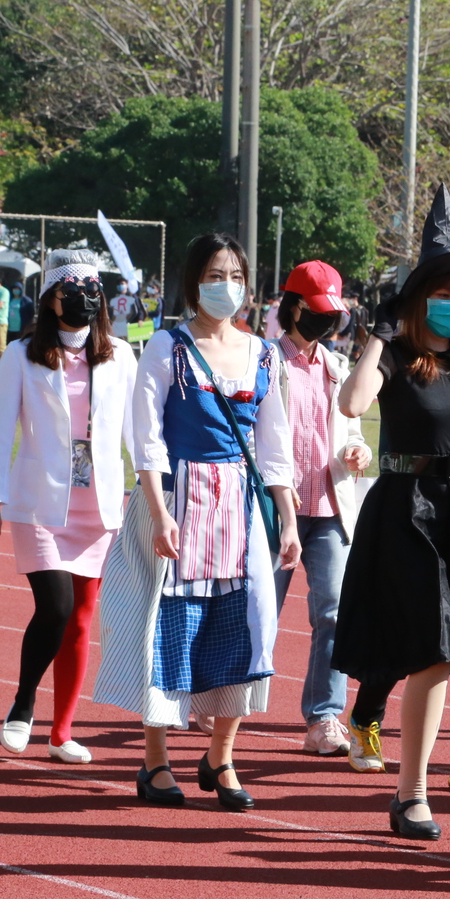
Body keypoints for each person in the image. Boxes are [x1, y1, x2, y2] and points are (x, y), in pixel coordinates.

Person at [332, 186, 450, 839]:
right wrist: (376, 337)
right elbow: (352, 402)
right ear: (419, 298)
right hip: (406, 507)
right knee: (435, 651)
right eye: (446, 295)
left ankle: (415, 786)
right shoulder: (391, 353)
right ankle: (411, 793)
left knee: (449, 650)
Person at [94, 232, 301, 810]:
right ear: (193, 281)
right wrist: (159, 513)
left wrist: (287, 520)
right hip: (178, 501)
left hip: (237, 505)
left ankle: (221, 756)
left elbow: (275, 445)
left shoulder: (263, 353)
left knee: (246, 624)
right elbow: (148, 438)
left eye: (235, 275)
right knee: (166, 625)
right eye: (215, 274)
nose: (226, 286)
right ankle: (155, 760)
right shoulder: (168, 346)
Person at [0, 251, 135, 763]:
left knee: (83, 620)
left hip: (98, 506)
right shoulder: (22, 355)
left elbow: (137, 433)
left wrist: (159, 488)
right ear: (51, 297)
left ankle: (62, 732)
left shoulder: (121, 356)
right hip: (40, 502)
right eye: (73, 287)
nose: (86, 295)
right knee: (56, 607)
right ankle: (23, 703)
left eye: (94, 286)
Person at [270, 260, 372, 757]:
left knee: (333, 611)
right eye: (317, 311)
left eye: (334, 314)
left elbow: (352, 431)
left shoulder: (336, 367)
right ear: (291, 307)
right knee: (257, 610)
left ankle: (324, 716)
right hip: (274, 508)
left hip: (330, 507)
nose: (327, 323)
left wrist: (358, 452)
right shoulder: (264, 361)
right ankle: (222, 696)